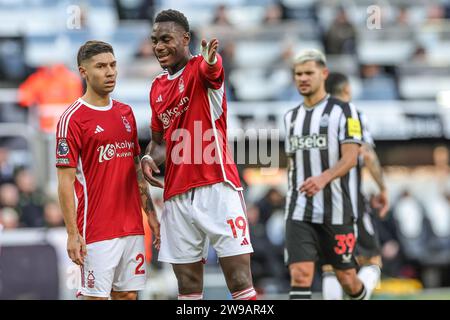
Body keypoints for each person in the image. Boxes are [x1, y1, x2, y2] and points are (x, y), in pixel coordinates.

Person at [141, 9, 256, 300]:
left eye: (166, 39)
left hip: (217, 186)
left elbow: (212, 70)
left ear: (185, 39)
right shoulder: (156, 87)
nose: (159, 46)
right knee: (188, 289)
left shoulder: (200, 69)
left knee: (240, 281)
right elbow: (159, 142)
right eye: (155, 40)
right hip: (176, 196)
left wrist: (211, 59)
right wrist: (148, 158)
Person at [56, 40, 159, 300]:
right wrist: (72, 233)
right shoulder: (72, 119)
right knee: (95, 297)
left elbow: (135, 170)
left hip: (132, 226)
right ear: (83, 72)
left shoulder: (126, 113)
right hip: (96, 229)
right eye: (101, 66)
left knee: (128, 297)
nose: (110, 72)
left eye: (113, 65)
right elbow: (65, 183)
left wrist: (151, 215)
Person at [284, 49, 366, 300]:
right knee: (300, 274)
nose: (303, 78)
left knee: (347, 279)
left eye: (309, 73)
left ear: (324, 74)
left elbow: (351, 157)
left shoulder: (345, 111)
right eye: (298, 74)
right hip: (299, 210)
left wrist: (323, 178)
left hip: (336, 210)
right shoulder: (290, 117)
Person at [321, 72, 389, 300]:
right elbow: (367, 155)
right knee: (373, 259)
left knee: (330, 265)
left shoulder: (314, 117)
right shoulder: (354, 115)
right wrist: (382, 188)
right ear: (347, 90)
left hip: (321, 202)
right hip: (350, 201)